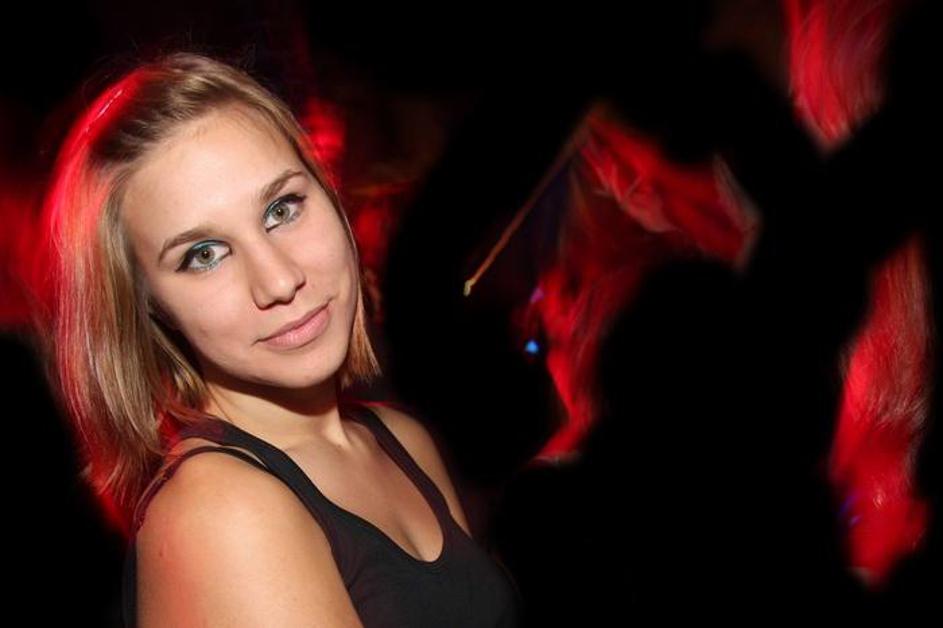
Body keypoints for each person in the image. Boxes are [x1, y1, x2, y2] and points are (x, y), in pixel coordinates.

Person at [29, 50, 522, 627]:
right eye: (204, 255)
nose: (280, 280)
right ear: (149, 308)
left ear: (330, 194)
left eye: (282, 209)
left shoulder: (401, 440)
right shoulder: (221, 512)